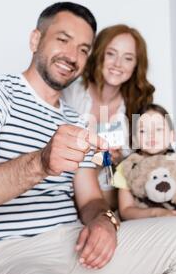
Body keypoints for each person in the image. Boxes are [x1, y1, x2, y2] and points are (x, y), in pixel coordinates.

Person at [0, 2, 176, 274]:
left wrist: (103, 220)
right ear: (35, 39)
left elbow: (90, 198)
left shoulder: (76, 119)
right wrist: (41, 162)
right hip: (9, 254)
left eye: (83, 49)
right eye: (63, 40)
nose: (72, 56)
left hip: (76, 241)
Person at [62, 25, 155, 209]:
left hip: (112, 199)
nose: (118, 64)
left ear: (136, 65)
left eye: (128, 58)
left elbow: (138, 171)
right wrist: (94, 160)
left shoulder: (136, 105)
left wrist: (117, 161)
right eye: (111, 54)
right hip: (65, 192)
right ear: (99, 54)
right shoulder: (71, 92)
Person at [114, 103, 176, 220]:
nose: (151, 135)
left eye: (159, 129)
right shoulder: (127, 168)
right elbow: (125, 210)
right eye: (143, 131)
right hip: (144, 222)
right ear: (134, 138)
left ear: (172, 136)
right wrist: (156, 213)